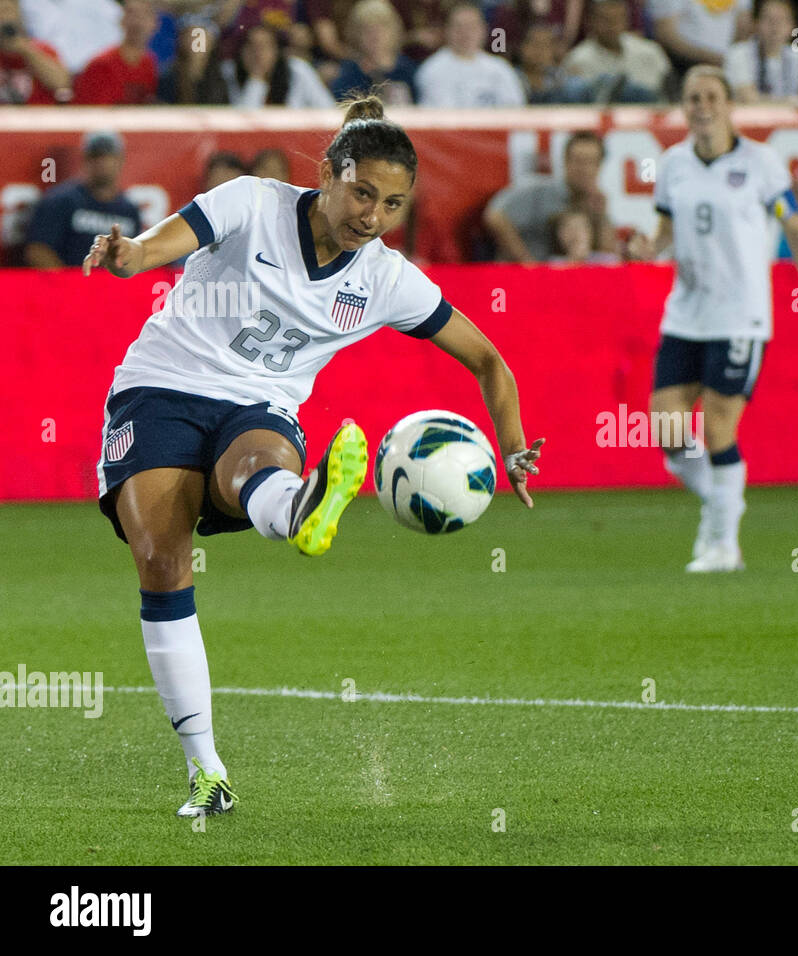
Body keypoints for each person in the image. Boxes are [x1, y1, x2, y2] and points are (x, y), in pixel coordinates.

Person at [80, 95, 544, 818]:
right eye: (363, 192)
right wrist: (127, 256)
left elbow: (487, 360)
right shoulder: (252, 203)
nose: (372, 216)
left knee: (257, 461)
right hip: (162, 388)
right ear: (328, 173)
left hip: (258, 408)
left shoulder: (386, 279)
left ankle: (301, 505)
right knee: (161, 559)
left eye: (392, 204)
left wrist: (513, 449)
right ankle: (207, 769)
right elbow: (155, 247)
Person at [627, 66, 798, 572]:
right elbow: (667, 226)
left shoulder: (761, 163)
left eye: (711, 97)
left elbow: (794, 229)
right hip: (686, 312)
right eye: (692, 97)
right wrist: (650, 245)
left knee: (719, 431)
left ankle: (723, 545)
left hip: (740, 316)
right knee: (665, 429)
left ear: (729, 105)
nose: (702, 106)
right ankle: (723, 500)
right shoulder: (673, 164)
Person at [483, 131, 615, 264]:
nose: (584, 169)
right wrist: (527, 263)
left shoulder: (595, 202)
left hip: (563, 277)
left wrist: (601, 216)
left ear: (599, 166)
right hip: (524, 277)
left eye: (591, 162)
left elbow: (608, 256)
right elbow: (495, 216)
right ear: (565, 161)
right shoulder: (538, 190)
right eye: (578, 161)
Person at [24, 130, 143, 269]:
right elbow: (38, 250)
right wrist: (69, 285)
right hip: (67, 285)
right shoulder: (60, 201)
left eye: (108, 156)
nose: (102, 163)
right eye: (96, 156)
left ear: (121, 160)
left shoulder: (129, 210)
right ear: (85, 159)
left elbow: (134, 257)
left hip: (112, 287)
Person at [412, 3, 524, 107]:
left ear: (483, 29)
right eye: (459, 27)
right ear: (446, 30)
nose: (465, 33)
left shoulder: (500, 68)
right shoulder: (432, 70)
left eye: (472, 26)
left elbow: (516, 112)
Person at [560, 0, 672, 103]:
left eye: (618, 19)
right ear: (590, 21)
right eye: (605, 20)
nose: (612, 25)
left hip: (652, 119)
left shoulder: (650, 51)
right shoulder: (578, 60)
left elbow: (670, 94)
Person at [724, 0, 798, 104]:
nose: (775, 27)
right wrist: (792, 102)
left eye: (781, 20)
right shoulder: (739, 54)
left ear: (791, 26)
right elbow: (746, 98)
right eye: (769, 20)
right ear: (756, 24)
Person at [221, 23, 335, 108]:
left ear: (276, 51)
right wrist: (256, 80)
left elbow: (327, 110)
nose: (258, 53)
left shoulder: (298, 70)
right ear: (241, 52)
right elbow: (241, 124)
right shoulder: (228, 72)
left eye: (264, 46)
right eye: (251, 46)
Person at [331, 0, 419, 105]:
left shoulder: (408, 70)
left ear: (394, 30)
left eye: (382, 27)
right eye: (367, 30)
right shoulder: (349, 74)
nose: (375, 36)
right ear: (356, 34)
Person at [73, 0, 158, 104]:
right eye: (131, 13)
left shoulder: (149, 63)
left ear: (155, 23)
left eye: (144, 15)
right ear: (122, 20)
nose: (137, 22)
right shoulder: (102, 65)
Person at [0, 0, 71, 104]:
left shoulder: (41, 49)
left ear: (18, 13)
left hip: (38, 116)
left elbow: (62, 84)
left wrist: (26, 50)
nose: (2, 18)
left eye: (6, 10)